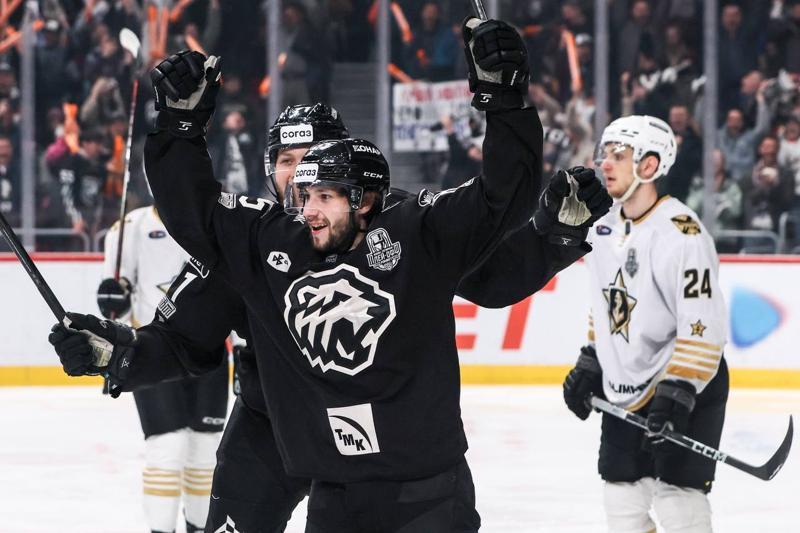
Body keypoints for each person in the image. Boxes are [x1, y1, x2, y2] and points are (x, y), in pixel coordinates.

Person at [49, 96, 607, 531]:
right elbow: (181, 340)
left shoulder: (397, 225)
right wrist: (119, 353)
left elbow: (494, 276)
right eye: (286, 162)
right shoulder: (250, 243)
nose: (299, 177)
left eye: (312, 161)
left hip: (385, 451)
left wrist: (553, 234)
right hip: (272, 423)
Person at [142, 18, 566, 530]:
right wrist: (178, 129)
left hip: (406, 469)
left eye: (319, 177)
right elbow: (192, 237)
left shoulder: (411, 227)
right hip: (281, 433)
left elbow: (497, 224)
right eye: (288, 164)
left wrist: (506, 103)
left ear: (361, 190)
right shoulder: (260, 238)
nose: (300, 185)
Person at [563, 115, 729, 533]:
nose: (605, 164)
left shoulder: (683, 233)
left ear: (650, 165)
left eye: (619, 155)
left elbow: (702, 321)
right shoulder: (602, 227)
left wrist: (678, 390)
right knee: (621, 502)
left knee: (679, 504)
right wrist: (592, 359)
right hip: (625, 383)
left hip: (687, 384)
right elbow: (607, 304)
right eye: (605, 153)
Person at [96, 207, 229, 533]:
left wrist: (241, 349)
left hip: (210, 351)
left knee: (206, 449)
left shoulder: (221, 221)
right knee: (168, 446)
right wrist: (114, 297)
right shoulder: (128, 228)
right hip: (153, 351)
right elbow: (116, 298)